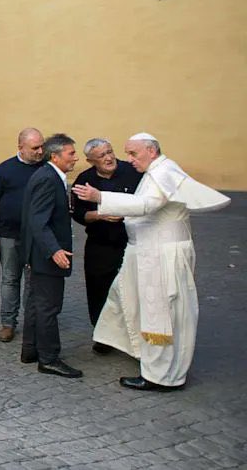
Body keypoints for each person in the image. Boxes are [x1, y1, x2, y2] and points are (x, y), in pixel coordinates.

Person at [72, 133, 230, 391]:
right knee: (124, 298)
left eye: (133, 154)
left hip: (160, 256)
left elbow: (148, 204)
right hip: (147, 252)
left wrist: (101, 197)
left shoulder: (162, 172)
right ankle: (142, 354)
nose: (128, 159)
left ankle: (161, 376)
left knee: (161, 314)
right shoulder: (155, 170)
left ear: (151, 151)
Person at [70, 138, 142, 353]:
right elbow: (79, 214)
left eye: (110, 152)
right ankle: (103, 336)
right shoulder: (84, 180)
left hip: (132, 239)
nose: (109, 158)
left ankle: (135, 336)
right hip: (100, 242)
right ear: (91, 161)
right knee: (98, 288)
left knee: (134, 287)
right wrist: (99, 215)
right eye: (102, 156)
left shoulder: (133, 172)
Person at [19, 133, 82, 378]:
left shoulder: (49, 176)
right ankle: (49, 358)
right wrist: (54, 250)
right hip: (46, 255)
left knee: (37, 303)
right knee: (48, 307)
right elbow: (38, 220)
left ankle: (30, 350)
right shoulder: (48, 178)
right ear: (55, 156)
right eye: (71, 153)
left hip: (40, 254)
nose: (75, 158)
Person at [0, 128, 45, 342]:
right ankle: (8, 323)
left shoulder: (45, 169)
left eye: (41, 146)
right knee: (10, 279)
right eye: (35, 148)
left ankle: (32, 323)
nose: (40, 151)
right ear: (20, 147)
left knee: (34, 281)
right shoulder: (4, 170)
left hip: (37, 237)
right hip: (10, 234)